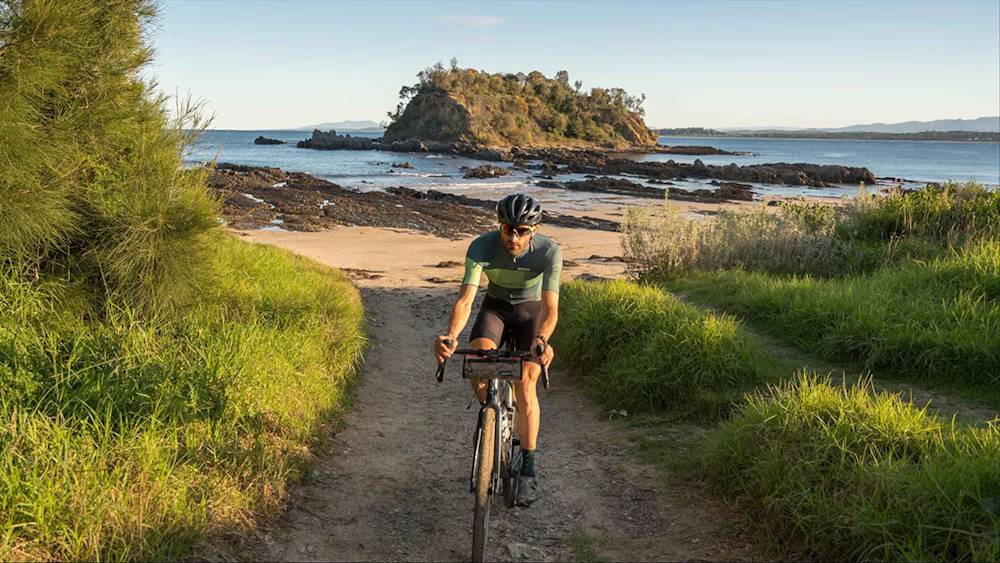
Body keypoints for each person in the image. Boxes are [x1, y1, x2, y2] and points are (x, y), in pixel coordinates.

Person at [434, 193, 562, 506]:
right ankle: (493, 419)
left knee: (525, 384)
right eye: (507, 229)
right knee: (477, 364)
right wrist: (450, 336)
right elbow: (465, 301)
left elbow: (550, 308)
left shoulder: (549, 251)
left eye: (521, 230)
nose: (513, 236)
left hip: (529, 312)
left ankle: (528, 469)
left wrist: (542, 340)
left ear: (534, 230)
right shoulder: (480, 247)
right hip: (495, 308)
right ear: (499, 226)